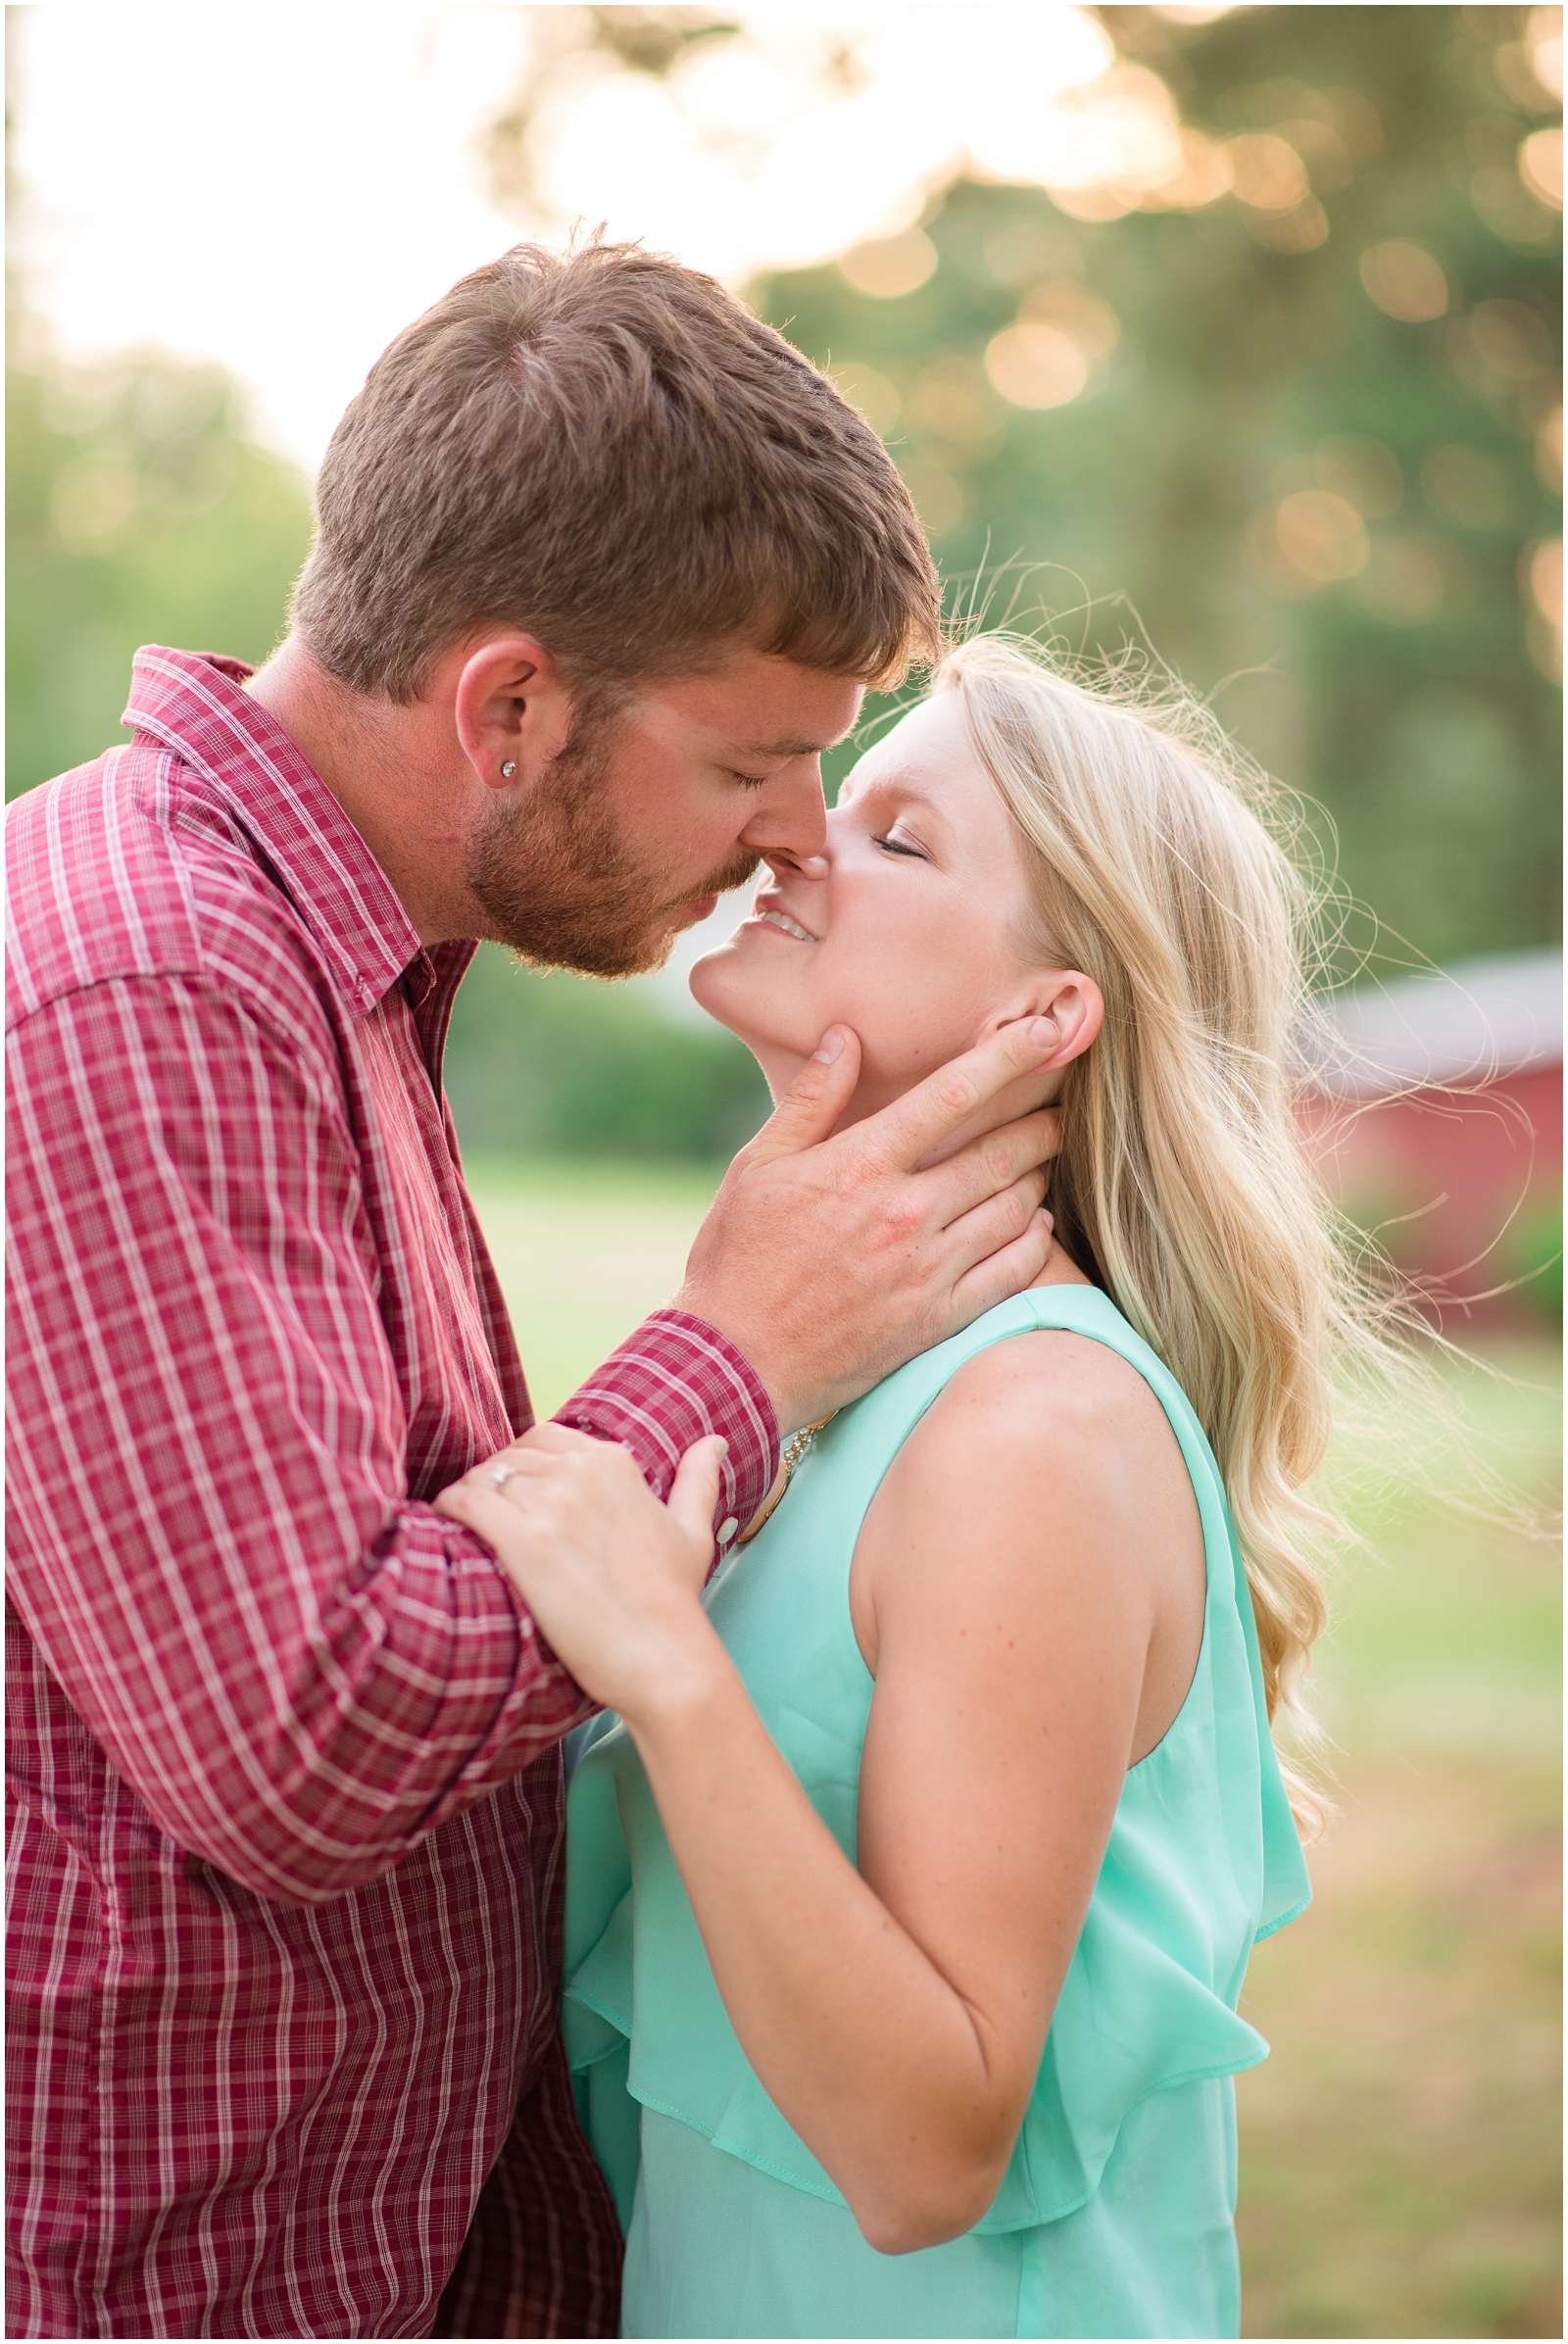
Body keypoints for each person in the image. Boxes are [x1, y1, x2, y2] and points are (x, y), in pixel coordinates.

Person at [4, 245, 1067, 2342]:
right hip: (180, 2267)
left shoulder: (322, 958)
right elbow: (299, 1735)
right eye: (758, 758)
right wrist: (740, 1349)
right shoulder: (150, 982)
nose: (792, 843)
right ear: (507, 705)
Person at [440, 633, 1358, 2340]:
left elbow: (927, 2154)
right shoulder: (867, 1381)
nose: (799, 842)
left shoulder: (1034, 1432)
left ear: (1044, 1017)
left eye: (896, 834)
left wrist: (668, 1670)